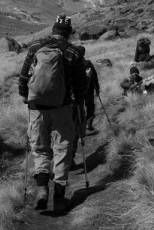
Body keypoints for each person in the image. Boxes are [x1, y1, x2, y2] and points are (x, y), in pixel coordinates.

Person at [18, 14, 88, 213]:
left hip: (37, 108)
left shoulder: (35, 48)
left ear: (53, 30)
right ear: (68, 33)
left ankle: (41, 190)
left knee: (39, 148)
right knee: (62, 148)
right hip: (62, 108)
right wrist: (77, 100)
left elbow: (23, 78)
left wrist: (26, 97)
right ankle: (59, 196)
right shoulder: (74, 52)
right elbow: (82, 85)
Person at [77, 45, 100, 132]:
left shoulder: (73, 63)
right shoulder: (88, 63)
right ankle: (88, 123)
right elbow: (94, 78)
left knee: (80, 108)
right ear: (84, 53)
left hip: (78, 91)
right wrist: (97, 89)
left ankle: (80, 127)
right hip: (89, 90)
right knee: (90, 106)